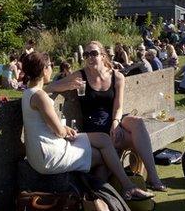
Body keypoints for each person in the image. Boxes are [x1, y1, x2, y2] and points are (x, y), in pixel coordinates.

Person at [23, 51, 154, 201]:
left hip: (40, 152)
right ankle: (101, 196)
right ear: (44, 69)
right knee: (104, 157)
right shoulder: (40, 96)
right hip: (49, 155)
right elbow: (59, 131)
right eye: (51, 65)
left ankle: (120, 189)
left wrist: (65, 129)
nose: (52, 68)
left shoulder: (29, 93)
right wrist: (66, 130)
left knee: (104, 139)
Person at [45, 41, 167, 192]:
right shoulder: (80, 75)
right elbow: (50, 87)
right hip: (95, 131)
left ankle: (153, 178)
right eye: (86, 54)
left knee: (137, 123)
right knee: (102, 173)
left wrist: (115, 123)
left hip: (113, 125)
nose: (90, 57)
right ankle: (126, 187)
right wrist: (69, 86)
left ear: (103, 56)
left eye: (94, 53)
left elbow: (119, 106)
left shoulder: (117, 77)